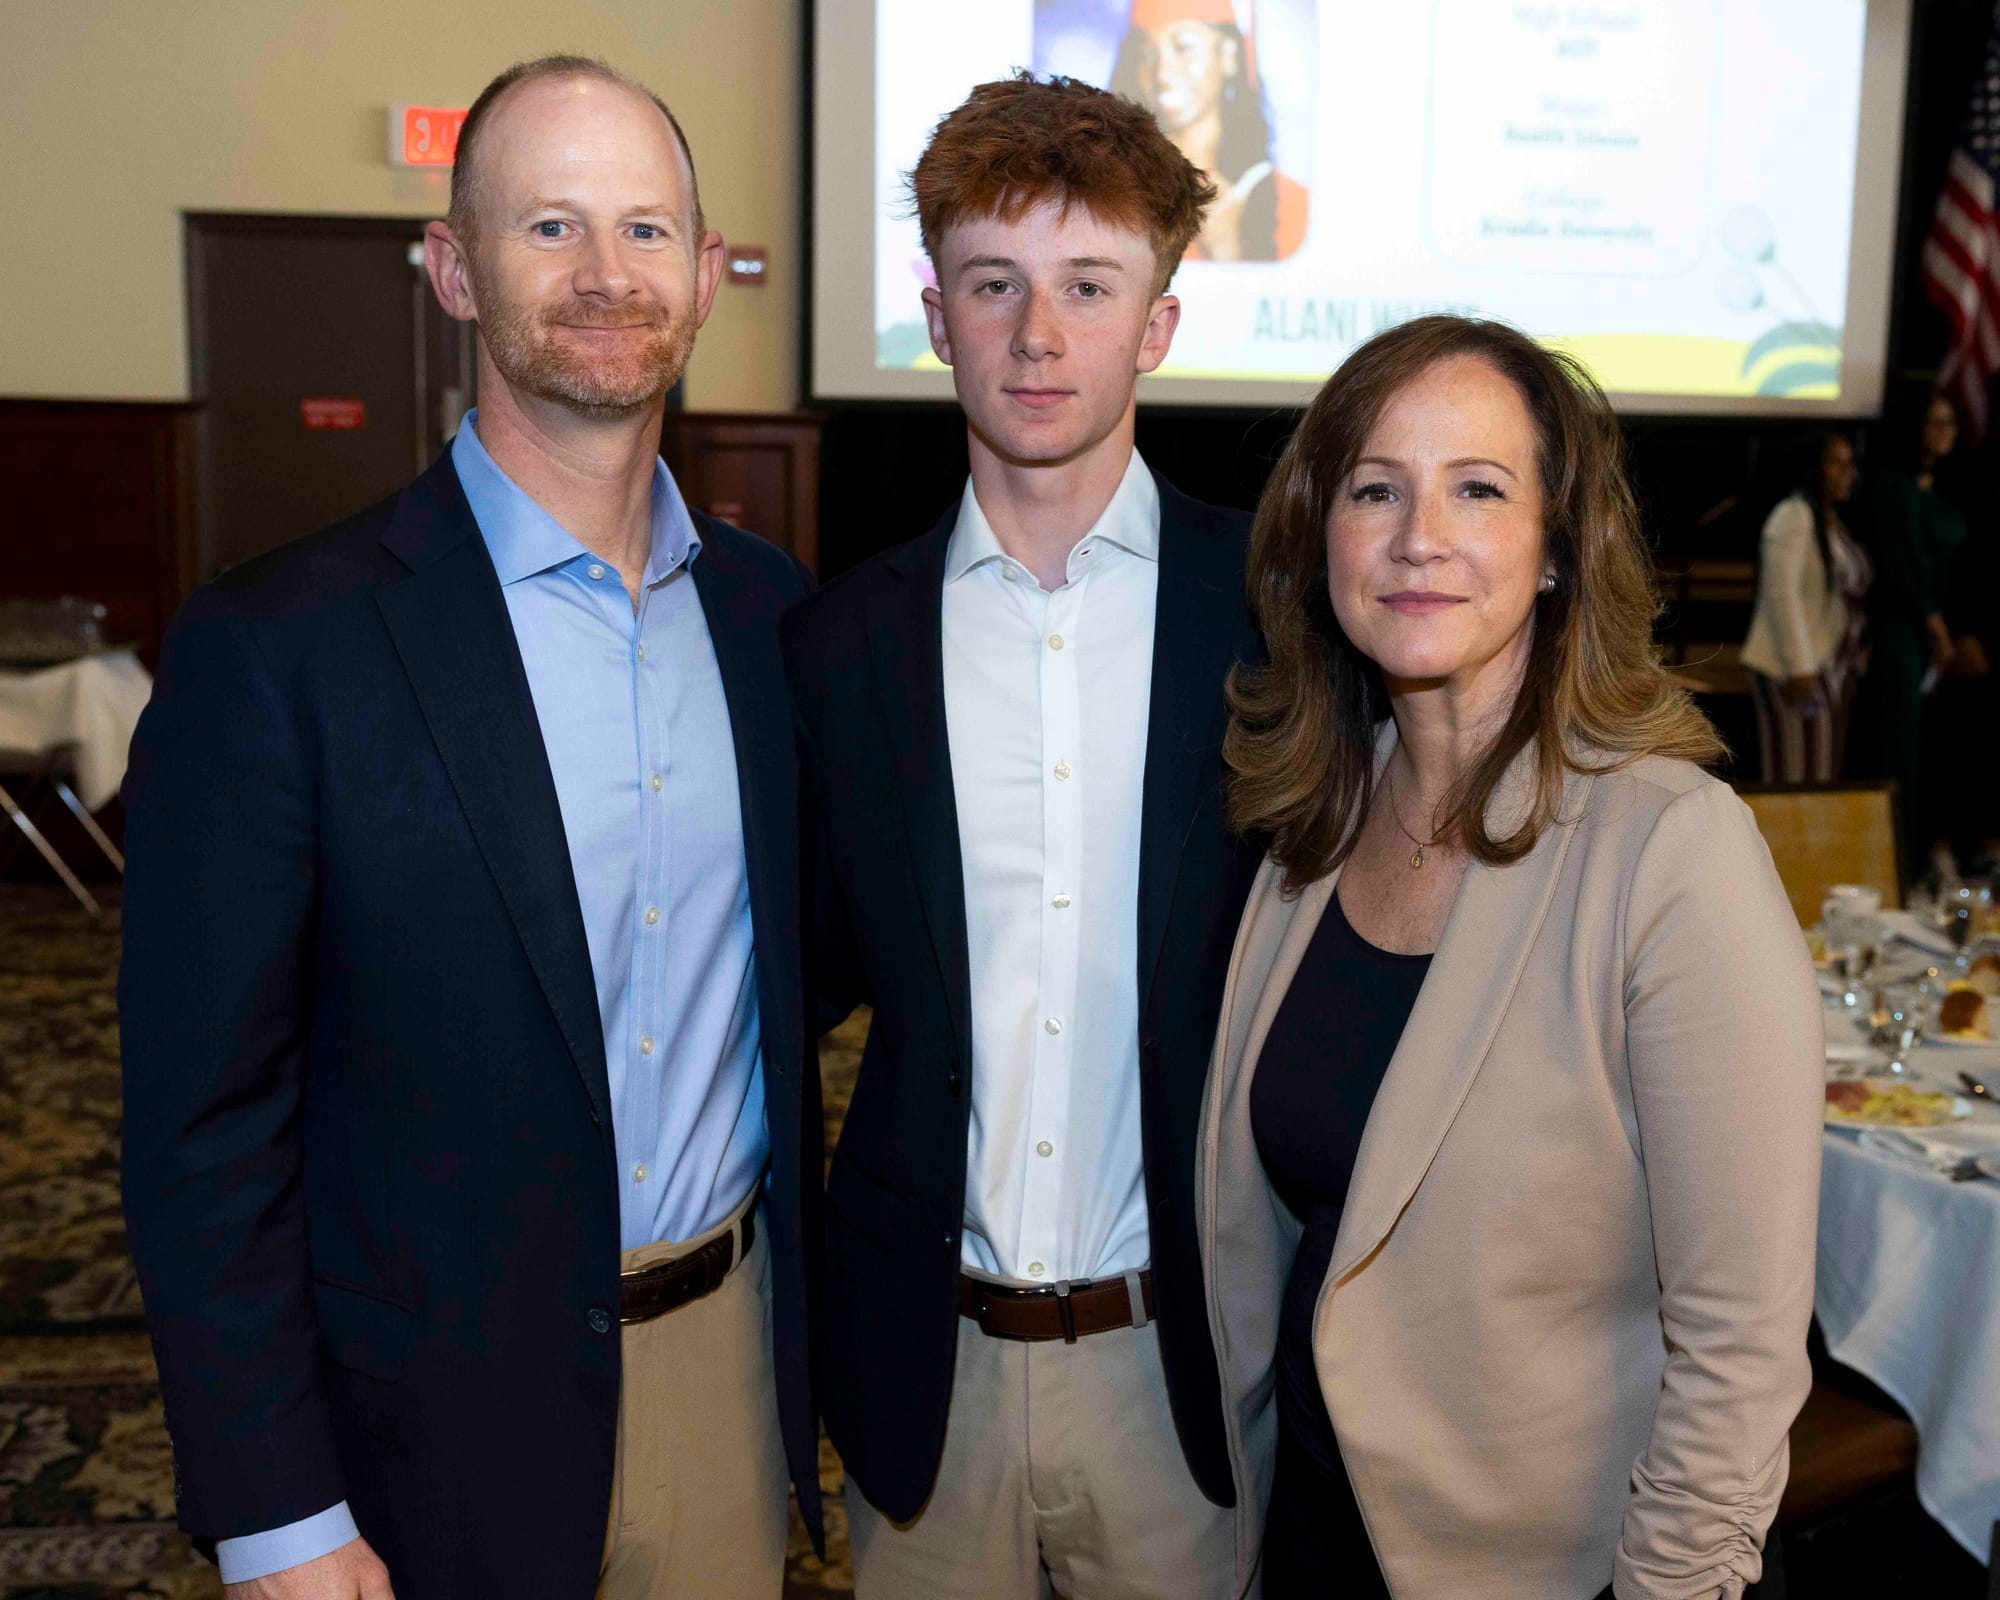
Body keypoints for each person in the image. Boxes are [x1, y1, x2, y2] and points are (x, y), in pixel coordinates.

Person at [119, 56, 821, 1600]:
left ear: (707, 275)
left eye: (646, 230)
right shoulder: (277, 649)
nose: (604, 272)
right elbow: (202, 1133)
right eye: (549, 226)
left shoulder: (773, 619)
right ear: (452, 268)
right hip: (422, 1435)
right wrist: (278, 1512)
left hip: (726, 1381)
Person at [1199, 315, 1821, 1598]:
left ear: (1554, 548)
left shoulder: (1669, 848)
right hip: (1304, 1534)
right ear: (1321, 540)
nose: (1417, 536)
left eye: (1476, 489)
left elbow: (1739, 1344)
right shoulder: (1311, 822)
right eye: (1375, 489)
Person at [783, 74, 1261, 1598]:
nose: (1038, 335)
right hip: (931, 1377)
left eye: (1088, 287)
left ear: (1157, 326)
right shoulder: (838, 647)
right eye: (994, 284)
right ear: (938, 318)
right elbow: (792, 984)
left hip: (1187, 1372)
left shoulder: (1278, 622)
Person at [1847, 394, 1965, 879]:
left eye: (1950, 421)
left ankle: (1924, 856)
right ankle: (1895, 865)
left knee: (1929, 752)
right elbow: (1902, 562)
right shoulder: (1892, 486)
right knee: (1898, 751)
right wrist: (1935, 625)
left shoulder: (1944, 487)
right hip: (1902, 632)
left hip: (1933, 637)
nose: (1945, 430)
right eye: (1934, 421)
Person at [1109, 0, 1307, 261]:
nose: (1162, 73)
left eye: (1183, 48)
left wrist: (1227, 247)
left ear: (1227, 55)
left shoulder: (1287, 203)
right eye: (1146, 53)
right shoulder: (1111, 196)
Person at [1741, 431, 1871, 782]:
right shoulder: (1794, 514)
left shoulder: (1830, 520)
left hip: (1831, 667)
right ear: (1814, 466)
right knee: (1797, 776)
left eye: (1850, 463)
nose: (1847, 473)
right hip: (1795, 669)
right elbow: (1781, 593)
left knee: (1821, 774)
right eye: (1835, 463)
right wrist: (1799, 668)